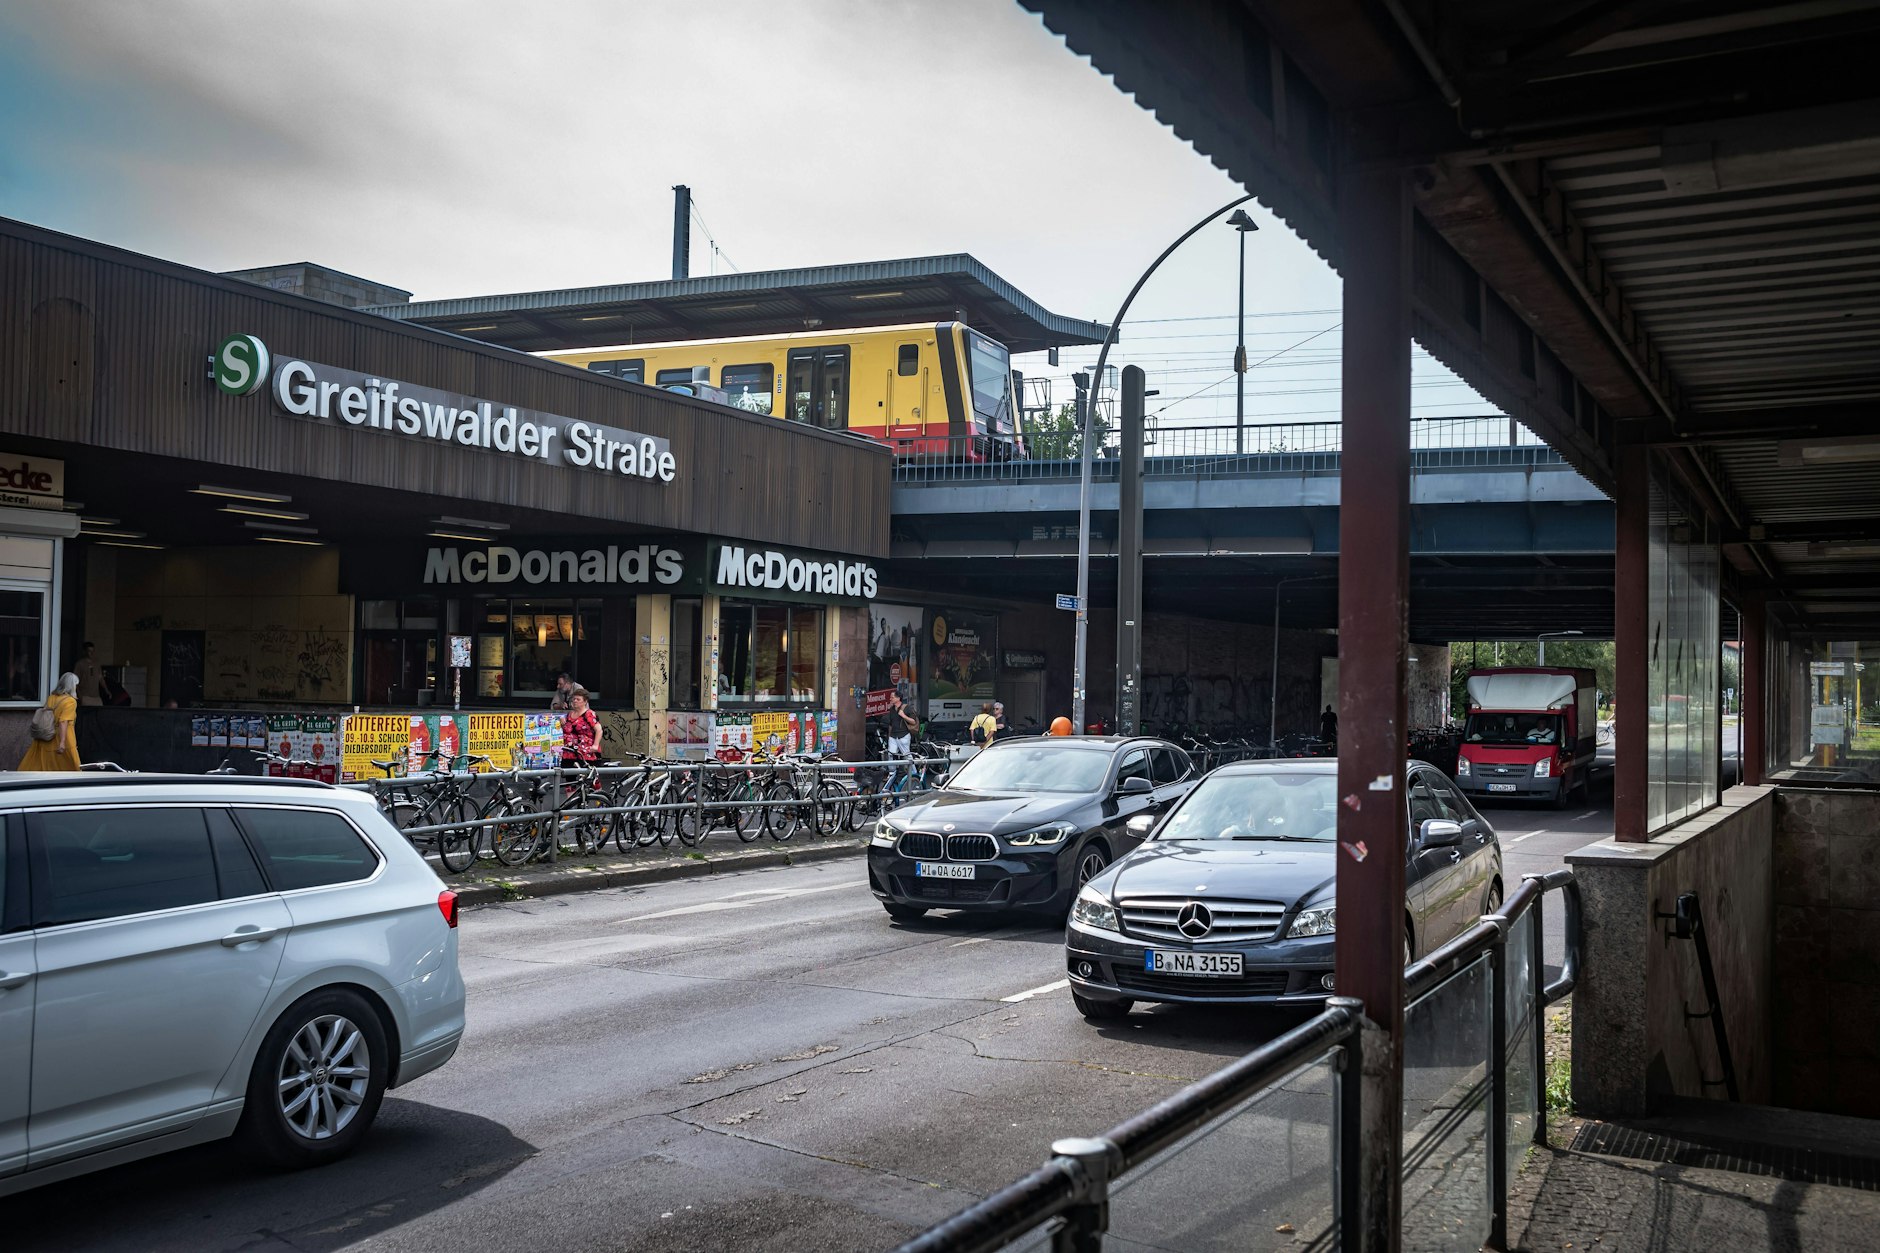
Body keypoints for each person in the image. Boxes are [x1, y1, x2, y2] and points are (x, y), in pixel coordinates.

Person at [20, 672, 81, 771]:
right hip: (64, 738)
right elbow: (63, 722)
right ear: (72, 686)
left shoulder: (52, 697)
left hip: (46, 737)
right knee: (70, 768)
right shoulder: (71, 701)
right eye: (76, 685)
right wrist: (62, 742)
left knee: (43, 767)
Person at [560, 686, 601, 766]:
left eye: (578, 699)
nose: (575, 701)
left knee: (584, 775)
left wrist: (595, 745)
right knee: (569, 776)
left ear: (585, 702)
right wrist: (562, 725)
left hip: (585, 752)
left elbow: (599, 730)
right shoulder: (569, 715)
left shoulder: (589, 714)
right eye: (574, 699)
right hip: (569, 752)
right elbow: (567, 731)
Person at [73, 642, 106, 707]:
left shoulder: (97, 663)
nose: (91, 653)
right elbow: (74, 681)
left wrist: (107, 690)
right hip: (85, 695)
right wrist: (79, 695)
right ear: (85, 651)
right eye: (89, 651)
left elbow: (100, 678)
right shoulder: (80, 664)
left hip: (96, 696)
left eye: (93, 651)